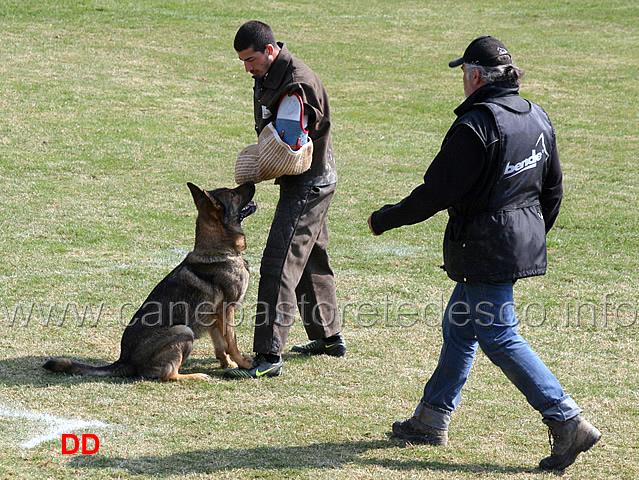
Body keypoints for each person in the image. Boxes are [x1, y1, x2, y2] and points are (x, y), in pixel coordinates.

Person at [367, 36, 600, 470]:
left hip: (484, 247)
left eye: (462, 73)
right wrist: (527, 234)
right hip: (513, 242)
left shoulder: (477, 125)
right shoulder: (536, 116)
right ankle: (432, 417)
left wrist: (386, 218)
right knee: (460, 325)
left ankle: (567, 420)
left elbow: (437, 192)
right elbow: (553, 189)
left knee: (498, 333)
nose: (462, 81)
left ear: (474, 76)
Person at [223, 21, 346, 380]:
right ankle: (328, 336)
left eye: (250, 60)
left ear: (270, 50)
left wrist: (259, 165)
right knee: (309, 257)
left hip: (308, 182)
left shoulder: (296, 86)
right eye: (243, 62)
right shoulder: (272, 72)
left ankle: (267, 354)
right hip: (313, 178)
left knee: (279, 263)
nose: (247, 68)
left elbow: (292, 150)